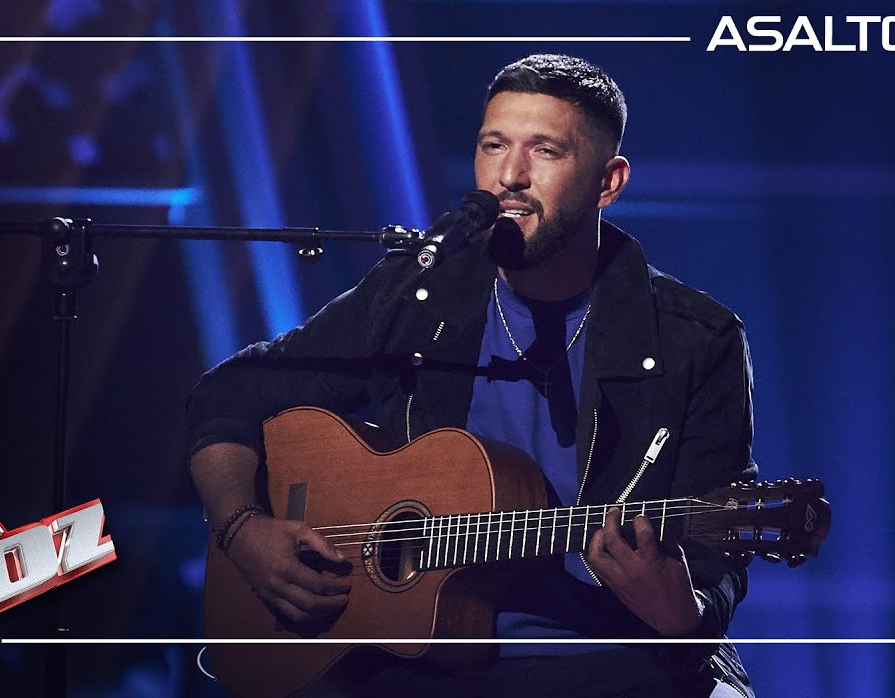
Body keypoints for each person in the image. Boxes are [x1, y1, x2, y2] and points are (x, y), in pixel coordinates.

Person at [186, 54, 757, 697]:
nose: (510, 176)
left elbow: (719, 545)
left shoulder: (694, 338)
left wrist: (683, 613)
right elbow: (231, 395)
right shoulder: (424, 291)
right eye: (494, 146)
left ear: (608, 181)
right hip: (411, 658)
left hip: (604, 658)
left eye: (545, 151)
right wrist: (243, 530)